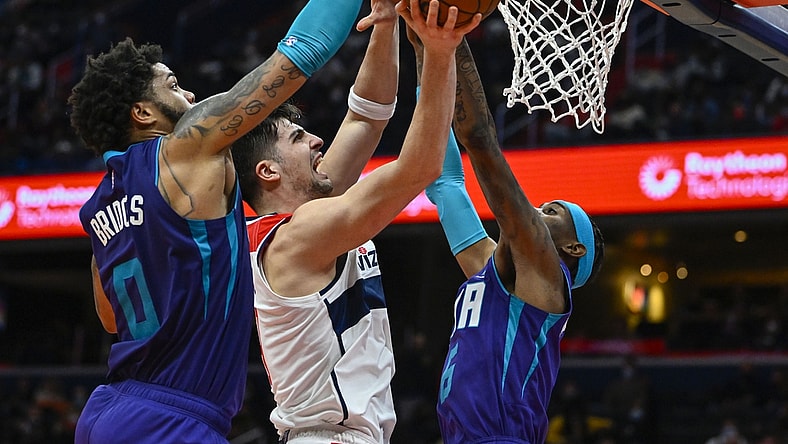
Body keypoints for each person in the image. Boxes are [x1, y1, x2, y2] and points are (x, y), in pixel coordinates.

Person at [68, 0, 382, 441]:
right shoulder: (185, 148)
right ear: (143, 112)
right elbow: (301, 54)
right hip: (173, 416)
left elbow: (110, 317)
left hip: (108, 410)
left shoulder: (99, 206)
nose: (191, 96)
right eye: (173, 85)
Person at [232, 1, 482, 442]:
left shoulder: (310, 211)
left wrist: (384, 24)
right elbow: (418, 168)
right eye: (297, 138)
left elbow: (366, 116)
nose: (316, 140)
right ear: (267, 172)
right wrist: (440, 52)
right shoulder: (298, 236)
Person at [406, 31, 605, 443]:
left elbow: (480, 141)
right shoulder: (492, 274)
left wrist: (451, 36)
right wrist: (423, 48)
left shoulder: (547, 276)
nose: (534, 209)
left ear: (573, 248)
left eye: (550, 212)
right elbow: (444, 183)